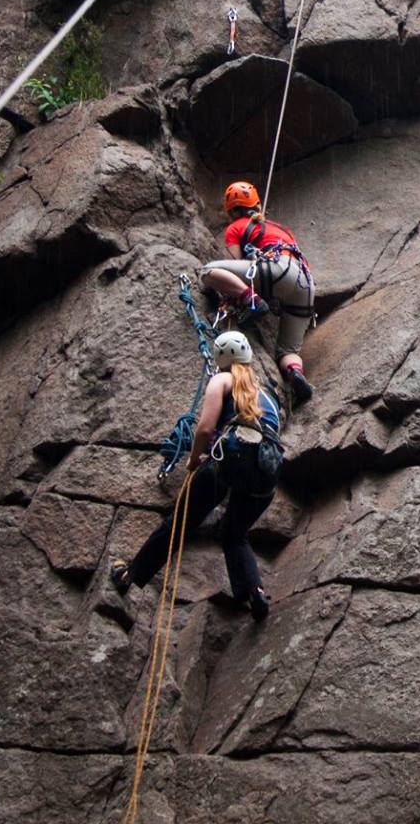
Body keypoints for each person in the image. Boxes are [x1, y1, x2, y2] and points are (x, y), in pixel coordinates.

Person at [111, 331, 283, 622]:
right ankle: (254, 592)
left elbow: (204, 428)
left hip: (232, 456)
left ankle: (131, 574)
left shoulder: (221, 380)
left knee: (180, 522)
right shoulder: (269, 397)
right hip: (268, 470)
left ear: (221, 360)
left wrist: (193, 461)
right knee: (234, 534)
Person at [202, 182, 316, 407]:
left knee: (207, 272)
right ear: (256, 204)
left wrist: (235, 294)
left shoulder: (236, 227)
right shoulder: (282, 229)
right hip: (305, 284)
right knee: (288, 350)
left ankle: (250, 300)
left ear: (232, 211)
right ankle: (295, 372)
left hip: (276, 271)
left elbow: (235, 264)